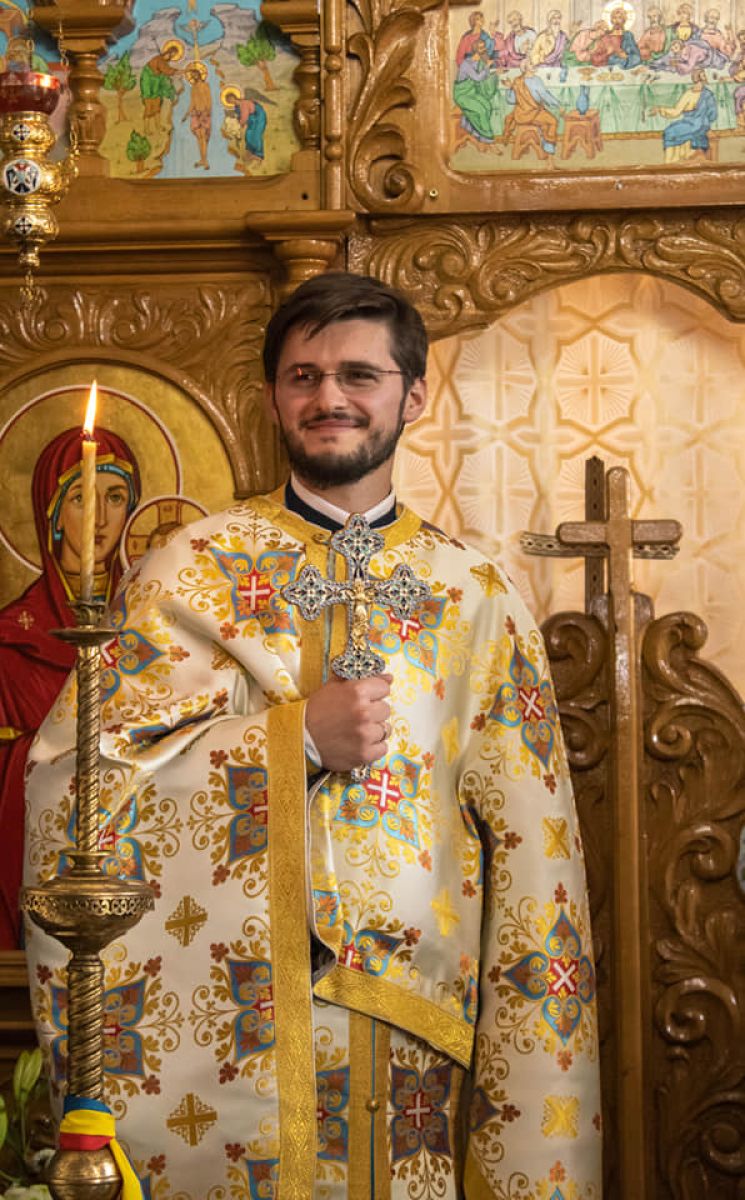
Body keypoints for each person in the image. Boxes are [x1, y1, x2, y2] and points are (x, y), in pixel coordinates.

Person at [24, 274, 601, 1199]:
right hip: (237, 1032)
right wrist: (289, 743)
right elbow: (80, 792)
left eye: (358, 375)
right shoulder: (190, 571)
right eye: (304, 376)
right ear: (272, 398)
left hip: (418, 1031)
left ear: (413, 396)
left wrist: (524, 1057)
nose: (329, 397)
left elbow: (536, 848)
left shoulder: (473, 594)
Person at [0, 426, 139, 947]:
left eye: (115, 497)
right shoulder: (10, 643)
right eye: (81, 497)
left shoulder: (154, 629)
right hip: (40, 876)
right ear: (52, 514)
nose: (100, 519)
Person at [651, 66, 718, 160]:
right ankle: (675, 159)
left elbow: (676, 112)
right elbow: (676, 111)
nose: (704, 78)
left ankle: (672, 159)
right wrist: (660, 109)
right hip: (698, 123)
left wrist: (660, 109)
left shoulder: (706, 94)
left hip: (696, 124)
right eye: (703, 76)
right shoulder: (693, 93)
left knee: (669, 131)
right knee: (670, 130)